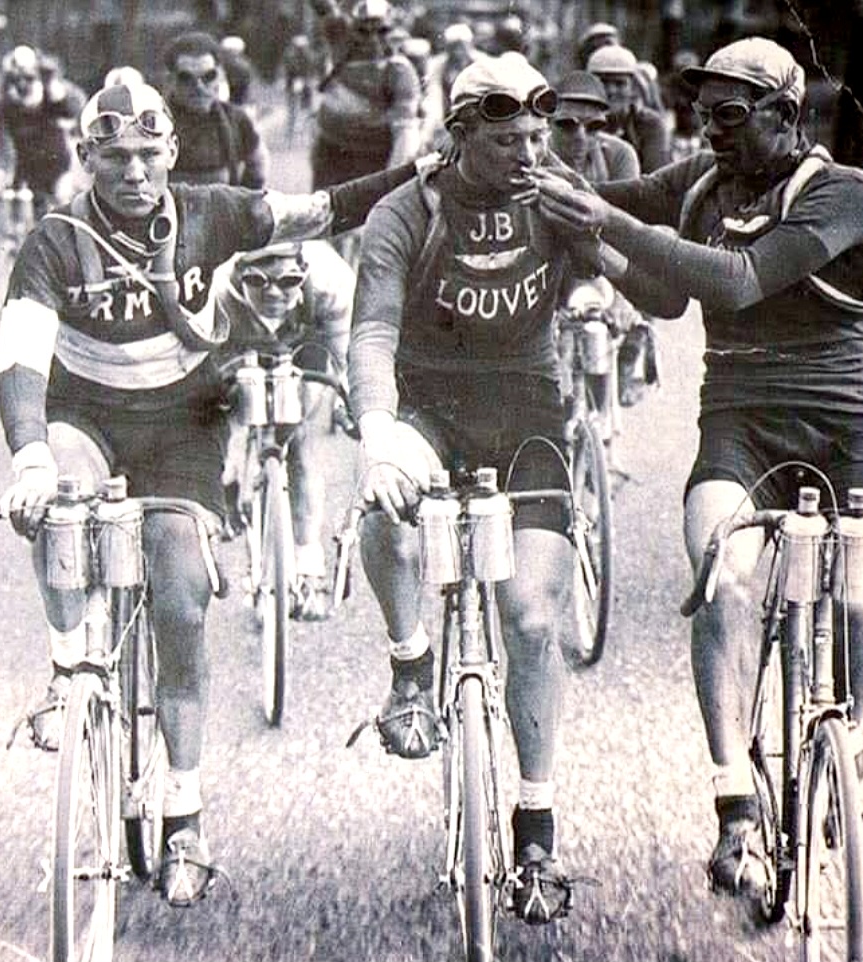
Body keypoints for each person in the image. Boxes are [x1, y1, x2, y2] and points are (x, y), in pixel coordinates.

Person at [0, 80, 423, 908]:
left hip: (183, 427)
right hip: (83, 417)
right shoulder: (53, 240)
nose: (132, 171)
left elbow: (324, 210)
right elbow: (20, 361)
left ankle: (185, 812)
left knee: (182, 599)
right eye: (112, 157)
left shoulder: (214, 212)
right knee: (60, 508)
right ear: (86, 160)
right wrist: (29, 460)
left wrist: (419, 172)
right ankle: (65, 671)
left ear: (171, 155)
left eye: (146, 155)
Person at [531, 36, 863, 899]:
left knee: (855, 594)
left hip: (843, 418)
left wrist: (606, 226)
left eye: (730, 116)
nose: (712, 132)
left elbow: (732, 282)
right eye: (703, 115)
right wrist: (525, 177)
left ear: (785, 113)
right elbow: (637, 252)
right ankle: (735, 798)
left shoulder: (842, 191)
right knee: (722, 574)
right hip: (739, 418)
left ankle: (862, 744)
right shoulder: (700, 182)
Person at [348, 52, 605, 926]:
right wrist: (379, 433)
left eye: (538, 136)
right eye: (508, 141)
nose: (529, 153)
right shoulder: (407, 211)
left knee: (532, 616)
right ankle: (412, 665)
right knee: (380, 502)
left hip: (529, 412)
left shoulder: (555, 194)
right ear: (461, 136)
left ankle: (536, 826)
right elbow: (372, 333)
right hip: (430, 406)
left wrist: (598, 270)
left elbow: (622, 269)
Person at [209, 240, 355, 619]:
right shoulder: (218, 289)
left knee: (302, 442)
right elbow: (207, 373)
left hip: (306, 344)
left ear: (304, 272)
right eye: (258, 280)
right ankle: (242, 490)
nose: (273, 292)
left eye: (288, 280)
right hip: (239, 346)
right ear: (239, 276)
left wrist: (347, 402)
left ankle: (308, 565)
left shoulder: (329, 281)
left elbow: (346, 358)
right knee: (229, 418)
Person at [549, 69, 655, 413]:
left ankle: (604, 428)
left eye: (594, 126)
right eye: (567, 125)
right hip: (547, 266)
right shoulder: (531, 154)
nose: (580, 136)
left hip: (600, 264)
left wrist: (626, 301)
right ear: (548, 124)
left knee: (604, 326)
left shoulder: (620, 156)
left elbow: (628, 235)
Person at [310, 0, 421, 189]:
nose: (373, 38)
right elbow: (323, 7)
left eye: (382, 31)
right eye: (364, 31)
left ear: (395, 33)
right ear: (352, 30)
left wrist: (393, 179)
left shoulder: (399, 70)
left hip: (373, 155)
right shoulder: (341, 43)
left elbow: (405, 130)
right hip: (331, 147)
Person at [0, 44, 85, 218]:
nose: (23, 84)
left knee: (63, 206)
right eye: (16, 79)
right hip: (25, 172)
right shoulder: (4, 106)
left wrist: (54, 86)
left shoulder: (52, 97)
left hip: (59, 168)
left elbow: (76, 107)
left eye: (29, 78)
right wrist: (0, 171)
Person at [163, 30, 268, 189]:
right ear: (171, 80)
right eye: (186, 78)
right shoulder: (155, 122)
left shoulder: (236, 120)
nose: (199, 87)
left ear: (220, 76)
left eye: (208, 76)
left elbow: (258, 166)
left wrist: (244, 202)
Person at [586, 44, 671, 172]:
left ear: (633, 88)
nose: (611, 91)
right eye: (603, 82)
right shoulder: (577, 124)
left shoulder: (650, 125)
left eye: (620, 83)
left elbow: (656, 178)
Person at [420, 22, 484, 150]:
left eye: (462, 46)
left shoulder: (482, 63)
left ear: (470, 45)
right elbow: (433, 93)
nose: (458, 51)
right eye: (453, 46)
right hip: (446, 115)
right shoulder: (436, 65)